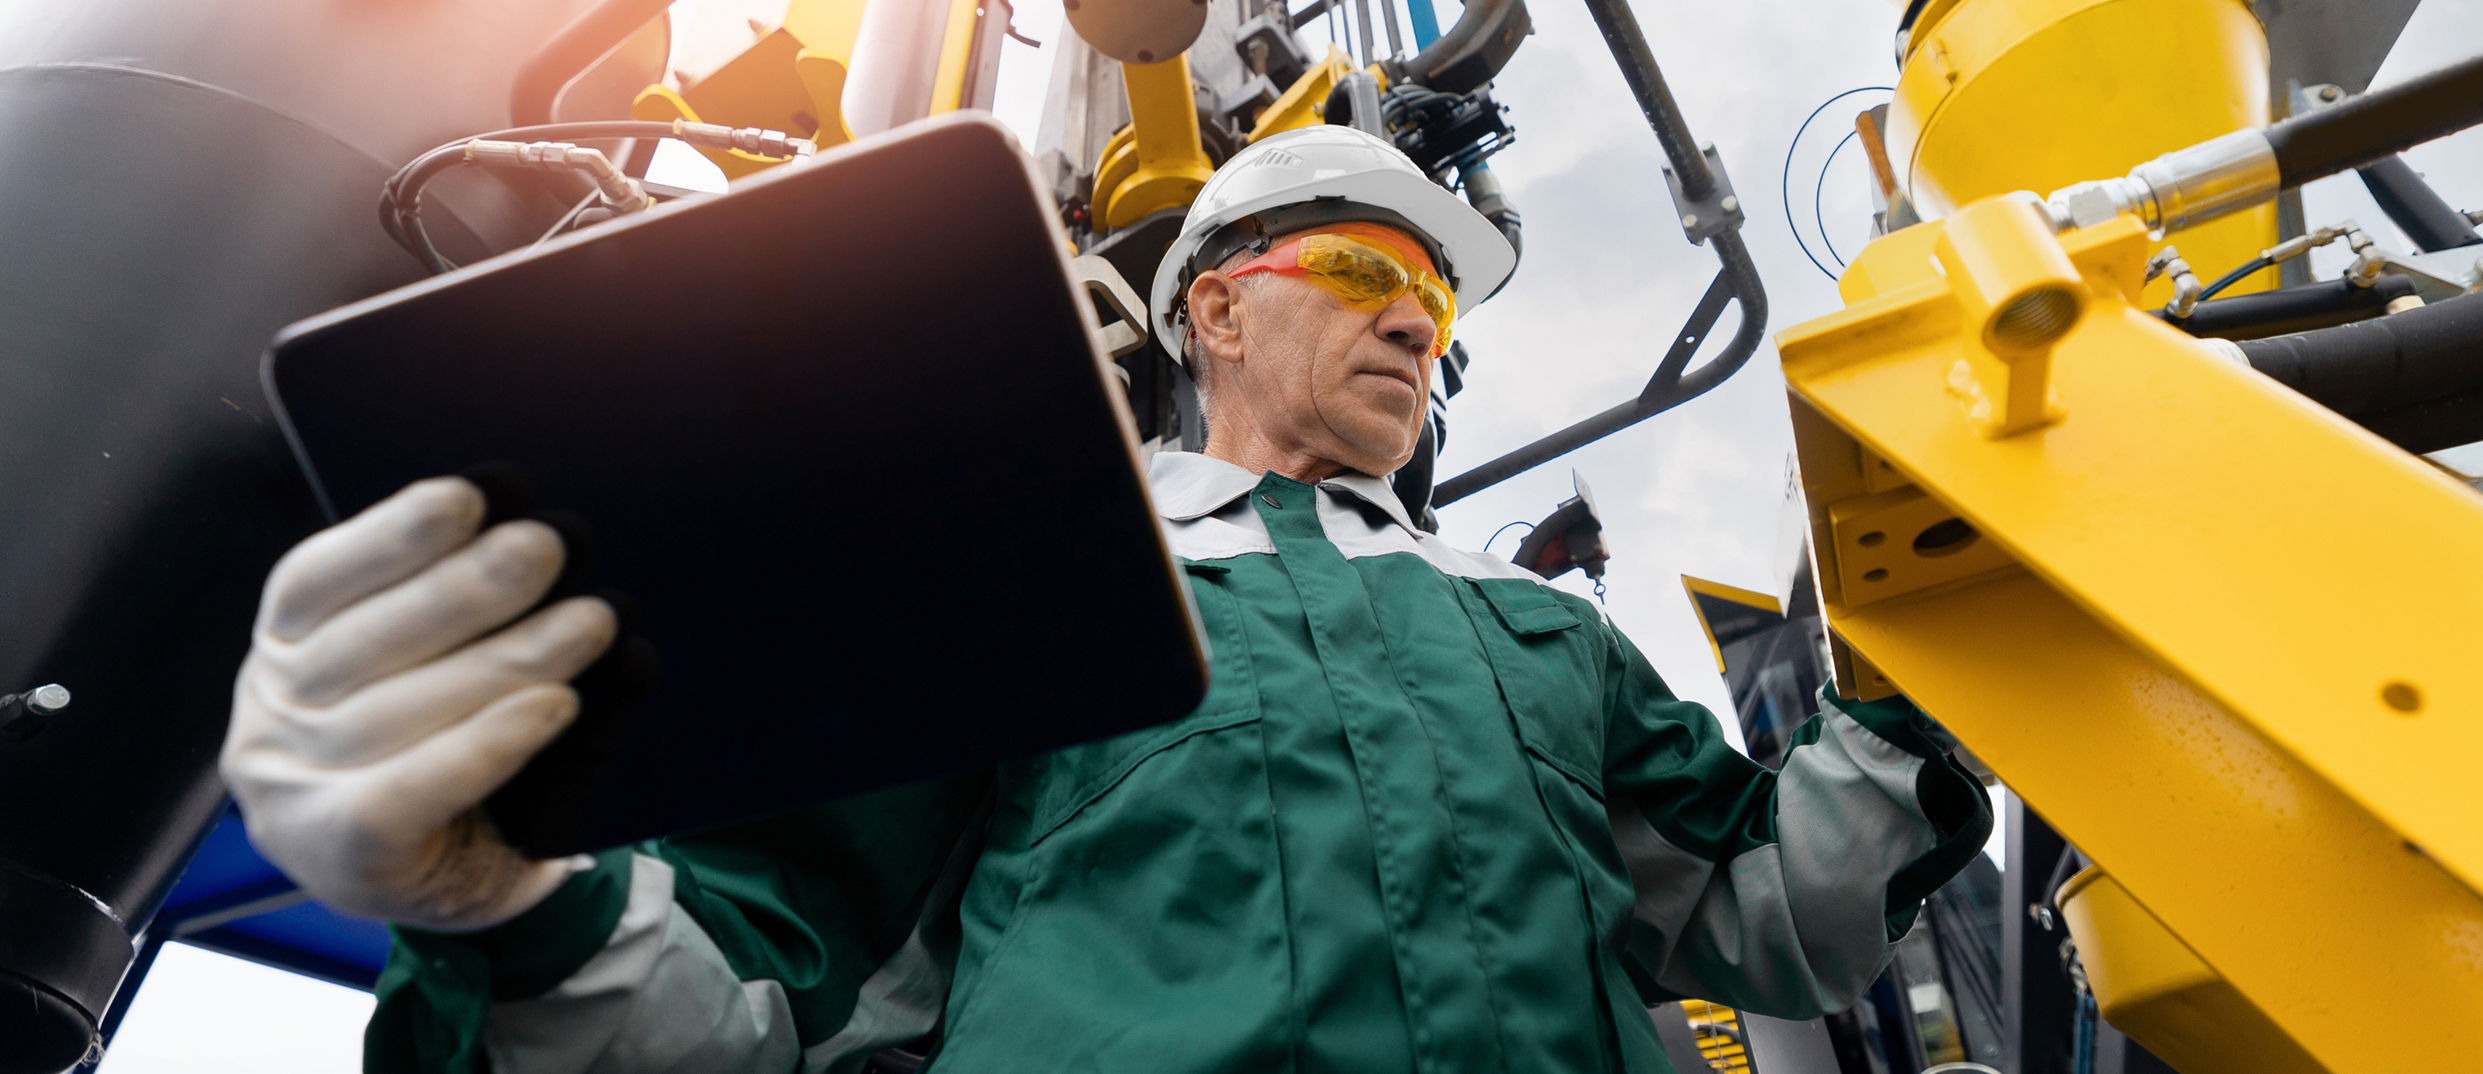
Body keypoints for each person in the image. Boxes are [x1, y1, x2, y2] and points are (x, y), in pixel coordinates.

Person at [221, 126, 1993, 1073]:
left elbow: (1777, 910)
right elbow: (758, 1008)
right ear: (1214, 309)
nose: (1412, 323)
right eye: (1369, 271)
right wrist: (509, 905)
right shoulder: (1015, 561)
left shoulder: (1531, 621)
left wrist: (1911, 651)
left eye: (1438, 311)